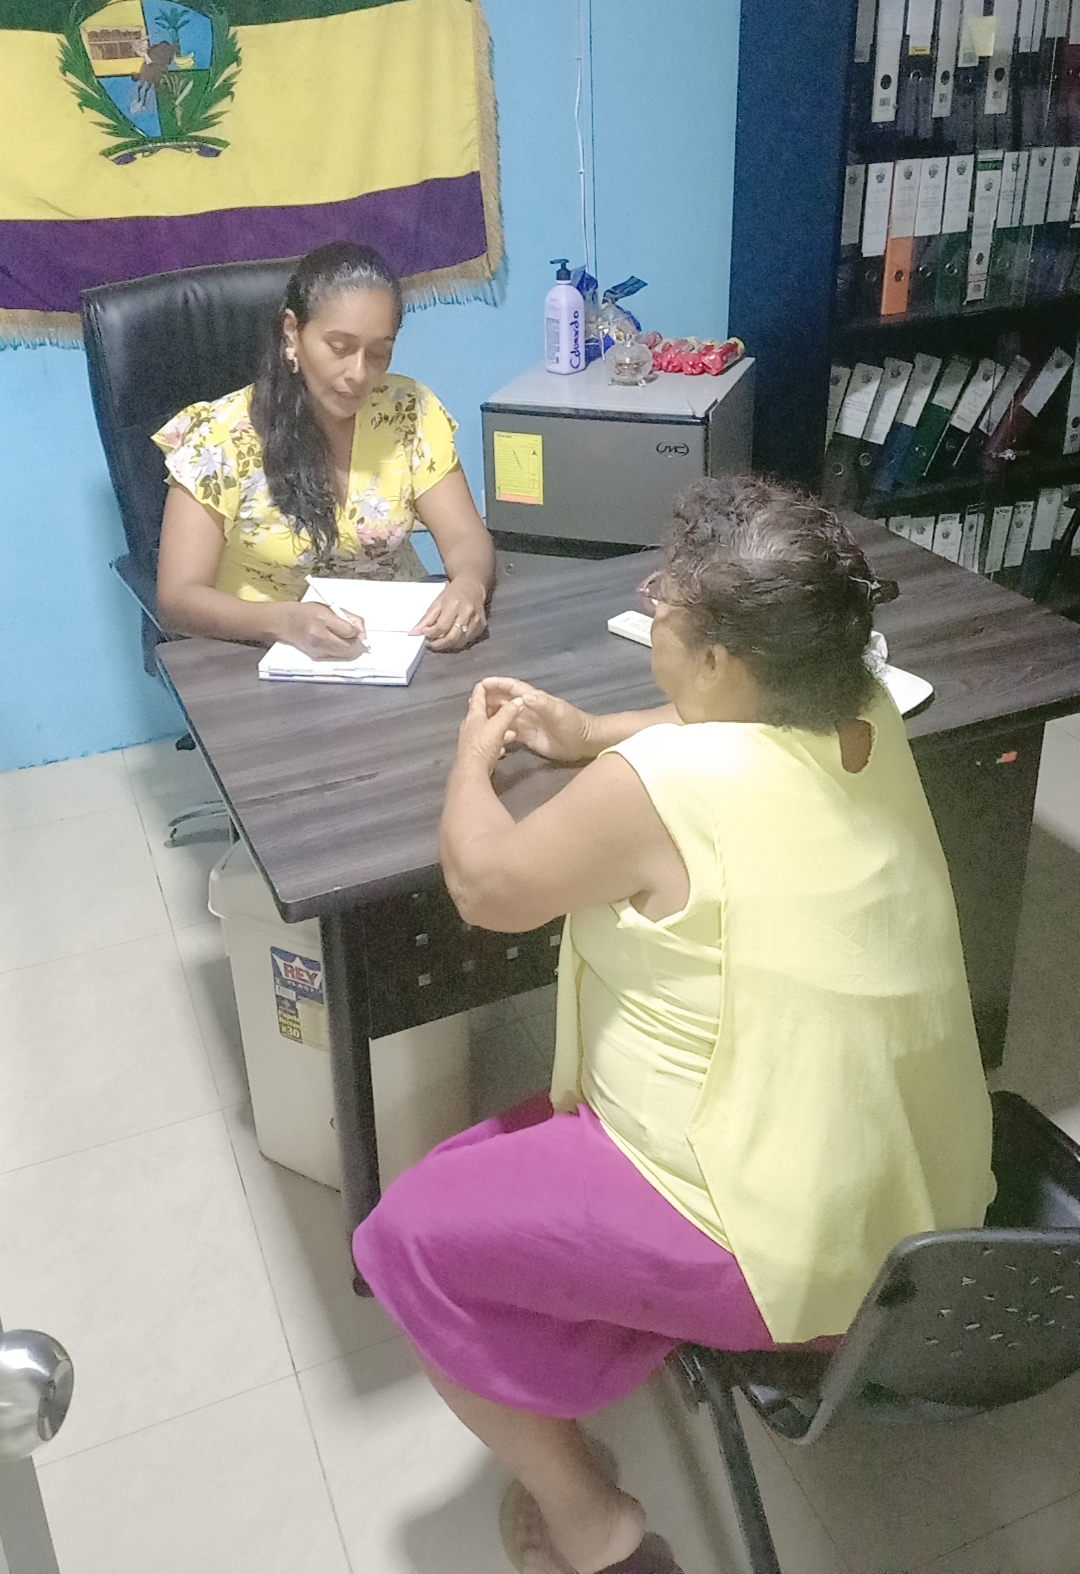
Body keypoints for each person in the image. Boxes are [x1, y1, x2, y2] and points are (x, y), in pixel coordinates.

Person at [352, 475, 995, 1574]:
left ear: (721, 663)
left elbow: (485, 885)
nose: (652, 603)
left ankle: (593, 1526)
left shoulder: (658, 785)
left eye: (668, 604)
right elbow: (731, 732)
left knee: (406, 1235)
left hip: (780, 1246)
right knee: (488, 1163)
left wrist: (472, 759)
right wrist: (587, 730)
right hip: (921, 1200)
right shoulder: (864, 708)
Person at [154, 241, 494, 657]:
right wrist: (283, 622)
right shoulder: (218, 437)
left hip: (395, 645)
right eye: (339, 348)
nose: (359, 373)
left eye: (379, 353)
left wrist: (469, 585)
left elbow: (463, 535)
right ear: (292, 332)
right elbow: (178, 599)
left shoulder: (408, 411)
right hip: (257, 654)